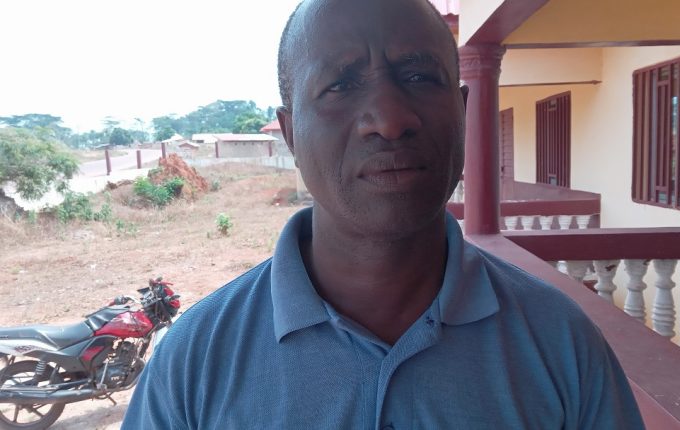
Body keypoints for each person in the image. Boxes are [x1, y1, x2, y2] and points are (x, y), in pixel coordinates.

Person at [123, 0, 645, 428]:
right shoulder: (194, 362)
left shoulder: (560, 344)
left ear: (463, 112)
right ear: (290, 133)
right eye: (340, 84)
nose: (390, 119)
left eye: (419, 76)